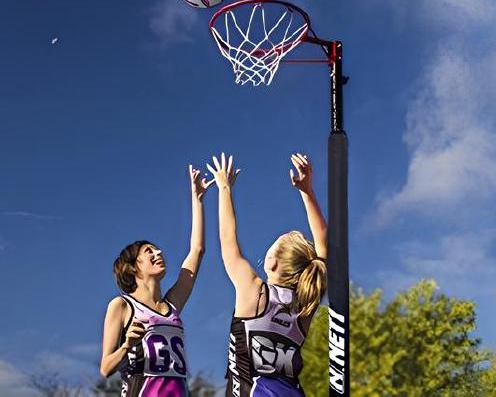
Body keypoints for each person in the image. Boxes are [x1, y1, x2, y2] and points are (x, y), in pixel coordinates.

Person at [206, 152, 327, 397]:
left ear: (271, 263)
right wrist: (307, 191)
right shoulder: (304, 304)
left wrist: (224, 188)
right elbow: (324, 247)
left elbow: (227, 239)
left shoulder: (254, 291)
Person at [99, 166, 211, 397]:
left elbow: (197, 250)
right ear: (133, 266)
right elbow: (106, 368)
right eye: (149, 251)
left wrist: (197, 198)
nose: (158, 253)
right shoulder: (122, 306)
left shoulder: (172, 305)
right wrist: (127, 345)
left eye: (158, 250)